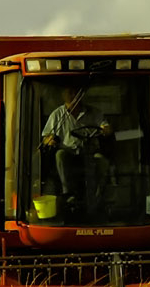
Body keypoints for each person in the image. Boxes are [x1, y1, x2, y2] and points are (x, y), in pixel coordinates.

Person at [40, 85, 113, 214]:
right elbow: (46, 136)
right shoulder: (57, 114)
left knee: (102, 161)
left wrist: (105, 130)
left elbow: (105, 126)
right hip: (70, 154)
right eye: (70, 93)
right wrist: (50, 139)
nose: (74, 96)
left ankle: (99, 196)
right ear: (63, 95)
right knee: (60, 155)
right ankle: (68, 193)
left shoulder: (94, 112)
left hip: (90, 153)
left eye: (76, 92)